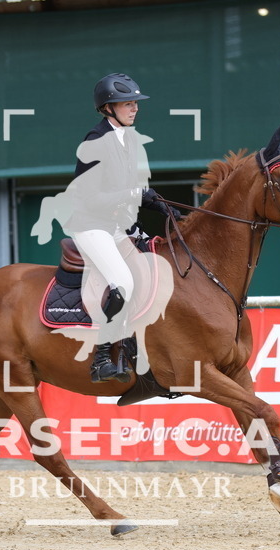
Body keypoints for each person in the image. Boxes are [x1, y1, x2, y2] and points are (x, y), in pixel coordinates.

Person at [32, 73, 180, 382]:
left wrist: (166, 208)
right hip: (92, 227)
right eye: (128, 104)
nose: (134, 109)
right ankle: (102, 357)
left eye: (135, 104)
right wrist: (134, 194)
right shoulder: (96, 140)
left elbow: (137, 191)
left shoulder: (127, 140)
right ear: (108, 108)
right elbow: (89, 196)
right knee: (123, 282)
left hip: (120, 227)